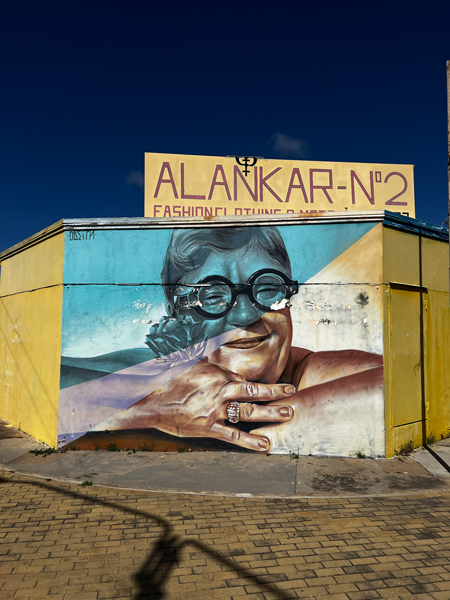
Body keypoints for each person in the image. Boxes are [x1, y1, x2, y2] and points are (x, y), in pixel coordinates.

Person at [95, 226, 383, 452]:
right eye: (213, 295)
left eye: (267, 288)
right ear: (176, 312)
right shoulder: (147, 373)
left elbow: (397, 387)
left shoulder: (310, 370)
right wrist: (150, 411)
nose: (245, 315)